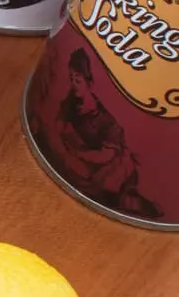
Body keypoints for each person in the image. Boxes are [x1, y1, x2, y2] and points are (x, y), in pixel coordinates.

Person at [50, 48, 162, 219]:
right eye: (71, 78)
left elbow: (106, 156)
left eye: (78, 80)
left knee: (106, 191)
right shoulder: (72, 101)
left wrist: (76, 153)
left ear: (90, 83)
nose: (73, 84)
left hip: (114, 167)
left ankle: (133, 206)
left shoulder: (106, 122)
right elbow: (58, 120)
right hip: (85, 160)